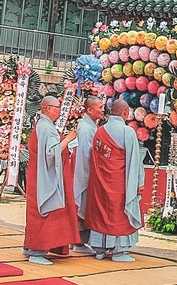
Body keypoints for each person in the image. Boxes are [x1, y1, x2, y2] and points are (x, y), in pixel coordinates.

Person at [85, 98, 145, 262]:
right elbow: (134, 160)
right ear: (125, 113)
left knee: (102, 212)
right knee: (119, 213)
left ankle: (100, 249)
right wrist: (138, 182)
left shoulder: (100, 131)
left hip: (101, 181)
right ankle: (119, 251)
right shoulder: (128, 132)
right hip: (120, 182)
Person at [23, 95, 79, 265]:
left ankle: (31, 246)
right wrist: (68, 139)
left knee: (36, 210)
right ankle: (36, 250)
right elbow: (51, 153)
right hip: (44, 177)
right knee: (45, 210)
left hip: (38, 175)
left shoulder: (43, 125)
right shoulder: (46, 128)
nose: (60, 111)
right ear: (47, 108)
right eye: (57, 108)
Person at [72, 95, 104, 255]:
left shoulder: (90, 125)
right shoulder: (85, 128)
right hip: (84, 172)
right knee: (82, 205)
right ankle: (78, 242)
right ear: (90, 110)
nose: (102, 109)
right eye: (100, 106)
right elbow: (85, 155)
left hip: (87, 171)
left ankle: (78, 241)